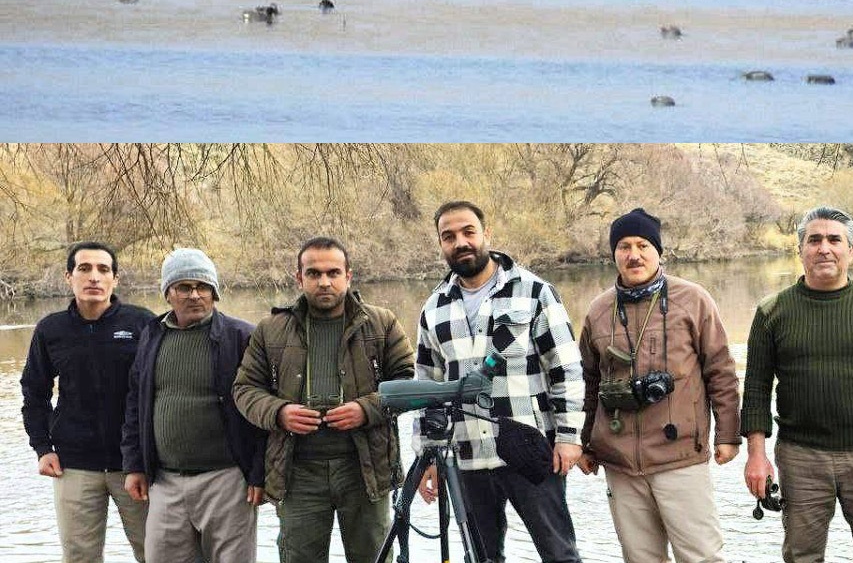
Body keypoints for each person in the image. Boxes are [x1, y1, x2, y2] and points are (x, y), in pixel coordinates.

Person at [741, 206, 853, 563]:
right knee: (801, 556)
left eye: (834, 240)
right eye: (814, 240)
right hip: (800, 458)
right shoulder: (771, 311)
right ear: (801, 250)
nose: (824, 248)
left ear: (851, 250)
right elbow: (756, 389)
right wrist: (756, 455)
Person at [415, 201, 585, 563]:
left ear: (486, 234)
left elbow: (566, 368)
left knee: (559, 553)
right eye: (449, 236)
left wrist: (569, 437)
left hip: (530, 446)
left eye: (468, 232)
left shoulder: (535, 291)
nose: (460, 242)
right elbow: (427, 385)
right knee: (481, 557)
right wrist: (428, 453)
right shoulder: (434, 308)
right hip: (466, 455)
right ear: (441, 244)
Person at [234, 236, 416, 563]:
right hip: (296, 471)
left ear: (349, 276)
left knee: (374, 557)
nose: (324, 282)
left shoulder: (381, 322)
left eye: (333, 272)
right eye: (314, 273)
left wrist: (366, 409)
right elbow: (245, 389)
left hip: (365, 470)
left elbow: (406, 381)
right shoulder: (271, 329)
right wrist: (279, 412)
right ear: (299, 278)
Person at [578, 207, 742, 563]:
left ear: (658, 251)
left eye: (642, 245)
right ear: (613, 254)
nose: (633, 255)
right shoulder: (598, 311)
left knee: (701, 557)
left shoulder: (694, 300)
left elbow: (721, 371)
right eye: (623, 246)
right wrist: (585, 444)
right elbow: (588, 384)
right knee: (639, 559)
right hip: (619, 462)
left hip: (681, 456)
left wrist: (728, 435)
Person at [122, 248, 266, 563]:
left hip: (228, 479)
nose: (195, 295)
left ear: (214, 292)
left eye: (203, 287)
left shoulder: (241, 336)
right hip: (165, 481)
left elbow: (262, 410)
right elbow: (136, 404)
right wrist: (134, 464)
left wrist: (259, 472)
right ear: (168, 294)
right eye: (184, 287)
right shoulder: (151, 335)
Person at [20, 241, 154, 563]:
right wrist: (43, 447)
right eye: (84, 268)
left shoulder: (143, 324)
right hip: (74, 464)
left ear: (115, 280)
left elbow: (161, 389)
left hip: (135, 465)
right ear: (69, 277)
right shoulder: (51, 329)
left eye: (103, 269)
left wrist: (152, 452)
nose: (94, 277)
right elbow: (34, 391)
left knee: (155, 552)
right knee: (79, 558)